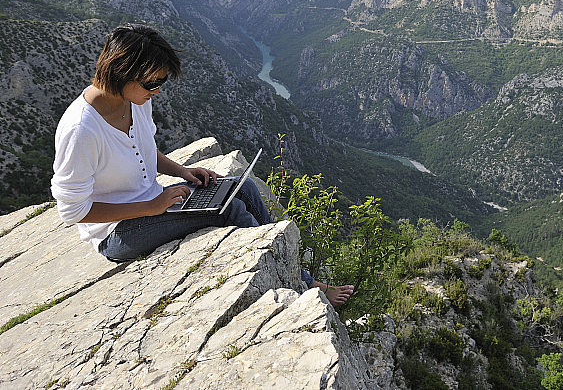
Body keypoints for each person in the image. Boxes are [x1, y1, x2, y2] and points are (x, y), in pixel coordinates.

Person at [51, 24, 353, 307]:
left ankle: (298, 274)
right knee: (229, 211)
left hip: (153, 204)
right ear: (121, 73)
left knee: (243, 188)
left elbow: (143, 150)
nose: (157, 90)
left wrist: (182, 172)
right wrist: (151, 207)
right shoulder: (81, 130)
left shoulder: (136, 101)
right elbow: (72, 211)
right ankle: (301, 287)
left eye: (161, 82)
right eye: (151, 83)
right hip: (117, 233)